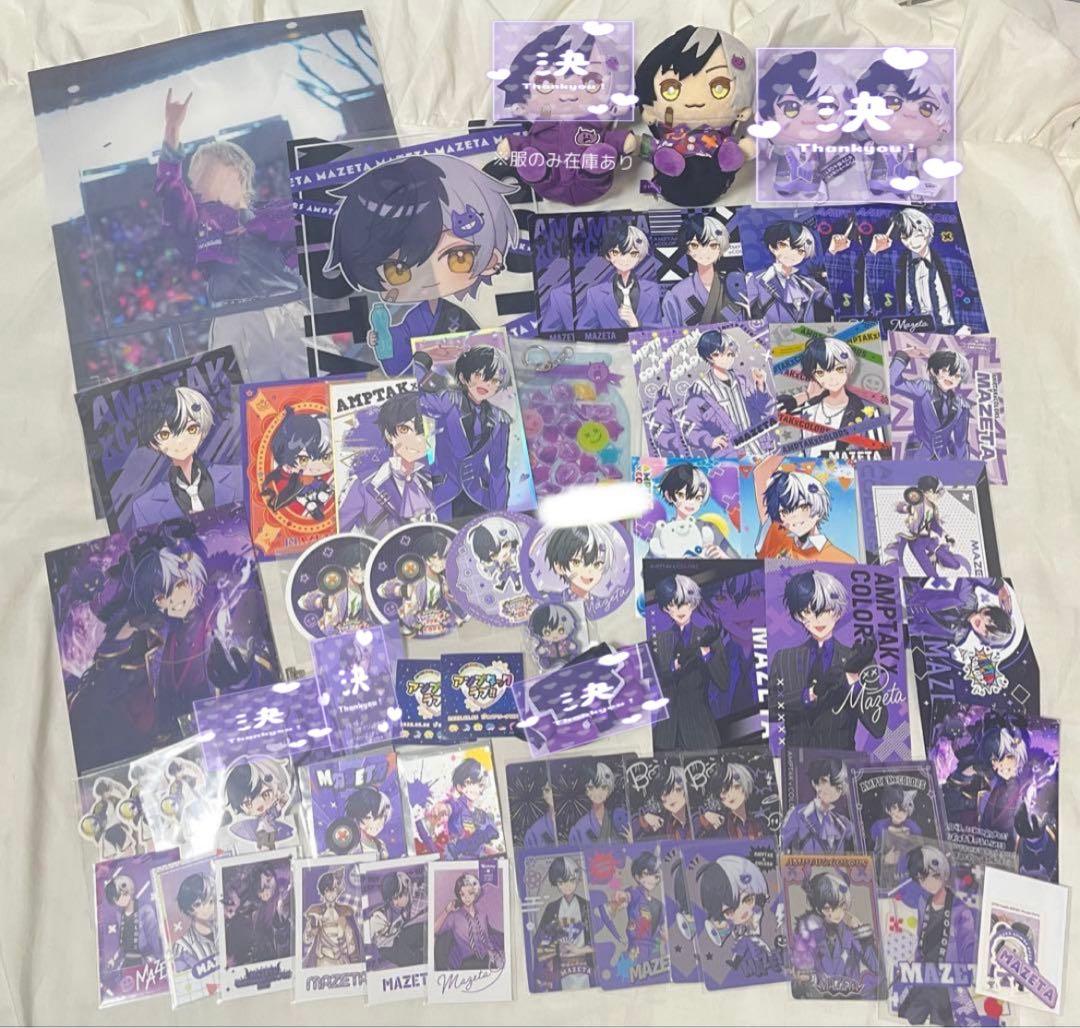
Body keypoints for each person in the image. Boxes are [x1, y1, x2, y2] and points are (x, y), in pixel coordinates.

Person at [155, 89, 307, 380]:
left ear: (235, 171)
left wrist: (253, 226)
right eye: (193, 176)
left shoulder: (275, 212)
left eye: (203, 171)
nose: (195, 183)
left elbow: (307, 234)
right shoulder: (200, 223)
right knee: (246, 401)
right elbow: (171, 190)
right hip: (233, 321)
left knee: (321, 390)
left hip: (289, 311)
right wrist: (172, 130)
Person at [324, 153, 519, 375]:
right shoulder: (418, 316)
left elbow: (488, 357)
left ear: (491, 260)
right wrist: (383, 340)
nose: (429, 276)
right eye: (398, 271)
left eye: (458, 257)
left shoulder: (460, 312)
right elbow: (401, 353)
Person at [769, 570, 885, 751]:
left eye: (825, 610)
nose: (818, 619)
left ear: (838, 611)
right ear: (798, 616)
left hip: (841, 762)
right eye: (808, 611)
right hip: (795, 761)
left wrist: (853, 681)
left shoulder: (859, 661)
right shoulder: (784, 659)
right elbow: (769, 710)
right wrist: (811, 694)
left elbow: (878, 727)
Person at [414, 346, 511, 520]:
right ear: (462, 377)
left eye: (494, 380)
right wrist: (420, 364)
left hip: (480, 498)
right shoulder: (448, 402)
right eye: (479, 375)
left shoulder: (499, 420)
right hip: (445, 494)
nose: (486, 383)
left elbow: (498, 470)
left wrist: (500, 514)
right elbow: (418, 399)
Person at [131, 385, 240, 527]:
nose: (180, 441)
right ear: (153, 443)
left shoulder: (237, 476)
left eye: (191, 428)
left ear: (203, 431)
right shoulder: (145, 508)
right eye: (165, 434)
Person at [892, 845, 975, 1025]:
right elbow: (921, 939)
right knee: (905, 1017)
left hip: (946, 982)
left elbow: (968, 951)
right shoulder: (923, 903)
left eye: (934, 876)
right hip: (923, 977)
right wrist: (913, 961)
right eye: (923, 879)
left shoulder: (961, 911)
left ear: (943, 873)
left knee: (942, 1021)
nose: (928, 883)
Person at [649, 574, 731, 751]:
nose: (680, 609)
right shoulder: (658, 641)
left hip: (700, 729)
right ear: (665, 608)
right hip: (666, 734)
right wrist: (672, 668)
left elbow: (724, 683)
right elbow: (650, 683)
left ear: (693, 604)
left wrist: (707, 655)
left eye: (685, 603)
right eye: (673, 604)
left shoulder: (709, 638)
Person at [337, 390, 435, 537]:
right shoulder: (362, 485)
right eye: (404, 429)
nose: (414, 439)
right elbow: (336, 538)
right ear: (389, 435)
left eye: (421, 430)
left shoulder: (429, 480)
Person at [777, 335, 887, 458]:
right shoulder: (809, 407)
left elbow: (880, 457)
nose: (832, 378)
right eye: (821, 373)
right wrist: (807, 395)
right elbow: (769, 416)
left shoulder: (868, 411)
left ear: (848, 368)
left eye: (838, 369)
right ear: (814, 376)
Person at [756, 50, 845, 199]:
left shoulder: (819, 149)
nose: (808, 118)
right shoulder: (781, 146)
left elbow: (832, 159)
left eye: (825, 108)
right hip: (785, 175)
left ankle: (808, 185)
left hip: (812, 179)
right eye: (790, 107)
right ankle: (787, 182)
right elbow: (768, 152)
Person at [680, 330, 773, 457]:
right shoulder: (700, 391)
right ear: (710, 357)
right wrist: (710, 441)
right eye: (723, 354)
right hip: (729, 456)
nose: (729, 358)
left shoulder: (741, 380)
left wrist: (760, 385)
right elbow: (689, 429)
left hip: (758, 449)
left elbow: (764, 410)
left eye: (731, 354)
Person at [752, 453, 856, 562]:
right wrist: (790, 447)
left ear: (818, 507)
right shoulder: (776, 535)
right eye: (785, 511)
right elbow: (761, 474)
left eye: (802, 507)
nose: (793, 516)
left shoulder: (843, 561)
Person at [791, 869, 879, 994]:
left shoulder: (851, 933)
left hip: (851, 997)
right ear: (818, 908)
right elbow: (801, 977)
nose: (838, 912)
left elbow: (876, 966)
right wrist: (807, 978)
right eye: (828, 907)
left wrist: (863, 936)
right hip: (819, 999)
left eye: (841, 905)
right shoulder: (809, 936)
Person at [697, 855, 780, 977]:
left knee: (760, 949)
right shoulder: (733, 926)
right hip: (745, 941)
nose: (742, 911)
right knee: (743, 946)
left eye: (748, 899)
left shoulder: (756, 914)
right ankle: (737, 963)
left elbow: (757, 916)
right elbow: (734, 932)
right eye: (730, 910)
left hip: (753, 939)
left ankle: (767, 962)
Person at [889, 339, 971, 459]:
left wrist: (965, 467)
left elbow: (961, 442)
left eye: (957, 375)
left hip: (944, 459)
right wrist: (903, 355)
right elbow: (893, 383)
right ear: (933, 371)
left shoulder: (961, 406)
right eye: (945, 371)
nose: (950, 377)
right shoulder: (923, 389)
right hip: (918, 455)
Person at [661, 214, 747, 326]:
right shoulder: (676, 294)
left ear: (721, 247)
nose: (704, 252)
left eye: (712, 245)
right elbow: (669, 332)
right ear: (687, 249)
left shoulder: (735, 285)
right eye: (695, 245)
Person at [745, 221, 833, 323]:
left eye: (800, 251)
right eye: (786, 246)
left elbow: (836, 302)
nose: (793, 254)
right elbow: (743, 315)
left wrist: (833, 252)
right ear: (772, 247)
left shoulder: (808, 284)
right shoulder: (755, 280)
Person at [578, 223, 661, 330]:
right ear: (608, 255)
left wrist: (638, 324)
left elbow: (669, 327)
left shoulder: (654, 290)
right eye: (617, 252)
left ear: (640, 256)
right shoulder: (595, 294)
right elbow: (584, 331)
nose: (625, 259)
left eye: (632, 253)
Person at [886, 475, 971, 575]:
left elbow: (934, 525)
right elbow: (902, 506)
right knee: (932, 574)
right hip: (916, 542)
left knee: (955, 564)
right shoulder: (918, 504)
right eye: (937, 492)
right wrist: (906, 508)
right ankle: (925, 561)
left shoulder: (933, 507)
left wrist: (946, 536)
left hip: (927, 539)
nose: (939, 496)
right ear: (929, 492)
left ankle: (934, 558)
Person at [259, 407, 333, 521]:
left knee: (322, 495)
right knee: (309, 503)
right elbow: (288, 493)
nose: (316, 466)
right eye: (303, 459)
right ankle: (314, 509)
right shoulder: (294, 480)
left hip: (316, 487)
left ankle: (317, 505)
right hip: (302, 493)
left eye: (326, 457)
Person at [534, 856, 594, 990]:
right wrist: (556, 948)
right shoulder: (552, 908)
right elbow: (540, 939)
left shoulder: (586, 906)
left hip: (585, 966)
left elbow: (598, 940)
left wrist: (580, 950)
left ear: (577, 879)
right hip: (560, 968)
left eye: (571, 880)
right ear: (556, 883)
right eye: (561, 882)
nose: (567, 886)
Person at [648, 463, 729, 559]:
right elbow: (647, 564)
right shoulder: (663, 530)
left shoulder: (709, 528)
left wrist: (722, 556)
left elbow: (737, 560)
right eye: (682, 495)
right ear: (669, 496)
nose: (691, 503)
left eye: (698, 497)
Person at [297, 538, 376, 636]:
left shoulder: (366, 590)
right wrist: (322, 602)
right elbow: (302, 602)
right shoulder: (337, 588)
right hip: (334, 636)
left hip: (361, 635)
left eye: (364, 568)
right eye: (357, 568)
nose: (361, 573)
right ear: (347, 569)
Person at [780, 756, 858, 854]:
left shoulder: (843, 823)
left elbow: (860, 845)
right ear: (815, 784)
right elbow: (781, 846)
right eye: (825, 781)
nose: (831, 789)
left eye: (838, 787)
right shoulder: (798, 814)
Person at [433, 873, 503, 970]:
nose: (467, 898)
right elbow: (433, 930)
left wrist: (493, 952)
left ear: (476, 893)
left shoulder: (482, 915)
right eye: (462, 894)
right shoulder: (454, 917)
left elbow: (487, 938)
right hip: (468, 962)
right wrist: (446, 911)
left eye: (470, 893)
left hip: (487, 959)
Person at [103, 871, 162, 972]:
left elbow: (153, 938)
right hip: (128, 961)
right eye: (115, 899)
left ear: (128, 891)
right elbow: (124, 944)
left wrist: (156, 959)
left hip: (146, 959)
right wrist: (114, 959)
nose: (118, 901)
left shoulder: (145, 910)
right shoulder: (120, 915)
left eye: (119, 896)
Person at [444, 758, 502, 859]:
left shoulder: (482, 815)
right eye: (471, 782)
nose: (480, 789)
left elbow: (491, 835)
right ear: (460, 787)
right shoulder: (457, 807)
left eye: (481, 784)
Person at [302, 870, 361, 968]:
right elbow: (307, 940)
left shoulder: (345, 911)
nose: (331, 893)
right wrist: (312, 926)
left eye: (334, 889)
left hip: (342, 959)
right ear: (323, 892)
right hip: (323, 960)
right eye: (328, 890)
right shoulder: (316, 911)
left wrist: (355, 961)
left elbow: (351, 939)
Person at [368, 870, 426, 968]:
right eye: (392, 900)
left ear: (405, 890)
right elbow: (402, 919)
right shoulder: (407, 908)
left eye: (396, 898)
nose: (395, 903)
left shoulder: (420, 894)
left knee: (400, 941)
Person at [698, 761, 766, 839]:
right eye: (725, 790)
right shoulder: (719, 823)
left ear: (746, 786)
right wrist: (705, 820)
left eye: (736, 787)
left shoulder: (759, 824)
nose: (730, 794)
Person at [567, 761, 631, 844]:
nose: (598, 793)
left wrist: (631, 843)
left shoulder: (619, 819)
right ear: (586, 790)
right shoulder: (579, 829)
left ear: (609, 789)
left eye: (603, 787)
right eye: (591, 787)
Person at [172, 872, 217, 975]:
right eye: (198, 904)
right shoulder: (182, 947)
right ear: (189, 909)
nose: (208, 907)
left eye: (211, 900)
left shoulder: (225, 928)